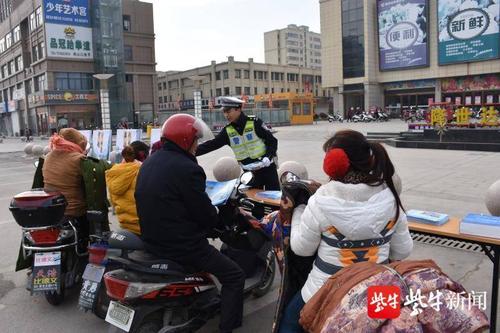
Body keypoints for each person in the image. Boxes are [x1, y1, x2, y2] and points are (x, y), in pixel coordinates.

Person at [279, 130, 413, 333]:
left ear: (333, 163)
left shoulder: (320, 201)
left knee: (291, 319)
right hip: (381, 288)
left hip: (327, 288)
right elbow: (402, 251)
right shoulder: (390, 197)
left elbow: (301, 249)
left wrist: (298, 212)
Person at [135, 114, 245, 333]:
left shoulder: (150, 162)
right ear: (185, 140)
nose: (197, 145)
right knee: (235, 276)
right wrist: (217, 218)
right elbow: (204, 214)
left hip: (152, 240)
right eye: (196, 140)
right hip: (183, 246)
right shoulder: (187, 168)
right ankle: (228, 327)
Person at [196, 96, 280, 190]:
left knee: (274, 199)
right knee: (256, 202)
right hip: (250, 174)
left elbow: (272, 141)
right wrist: (188, 152)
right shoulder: (227, 131)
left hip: (267, 169)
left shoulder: (254, 122)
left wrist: (268, 157)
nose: (226, 115)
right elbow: (211, 145)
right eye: (224, 112)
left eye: (228, 111)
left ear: (239, 109)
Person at [105, 146, 142, 235]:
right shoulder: (141, 169)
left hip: (123, 220)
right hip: (140, 222)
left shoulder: (115, 172)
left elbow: (112, 199)